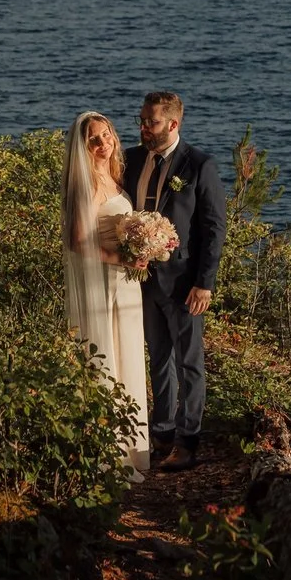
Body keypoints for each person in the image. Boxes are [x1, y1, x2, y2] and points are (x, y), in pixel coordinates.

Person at [119, 91, 225, 472]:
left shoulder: (199, 165)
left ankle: (187, 440)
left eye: (152, 122)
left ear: (174, 124)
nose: (144, 128)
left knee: (189, 363)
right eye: (142, 120)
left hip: (183, 284)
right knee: (157, 358)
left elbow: (213, 230)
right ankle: (161, 433)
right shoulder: (131, 159)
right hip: (140, 279)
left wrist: (204, 283)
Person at [62, 111, 152, 476]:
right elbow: (77, 241)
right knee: (109, 354)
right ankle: (110, 454)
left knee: (128, 352)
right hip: (106, 282)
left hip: (126, 284)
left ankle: (134, 449)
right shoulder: (86, 184)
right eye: (94, 140)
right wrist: (120, 258)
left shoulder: (112, 176)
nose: (103, 143)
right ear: (83, 147)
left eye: (106, 135)